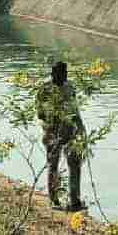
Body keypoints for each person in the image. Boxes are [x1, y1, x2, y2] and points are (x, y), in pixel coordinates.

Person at [36, 61, 86, 212]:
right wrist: (56, 128)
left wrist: (81, 129)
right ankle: (54, 200)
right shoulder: (45, 89)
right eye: (60, 74)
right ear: (53, 74)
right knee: (53, 166)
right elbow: (41, 114)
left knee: (75, 165)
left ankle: (75, 201)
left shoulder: (70, 87)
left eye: (65, 74)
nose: (63, 77)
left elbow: (75, 110)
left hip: (71, 131)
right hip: (52, 133)